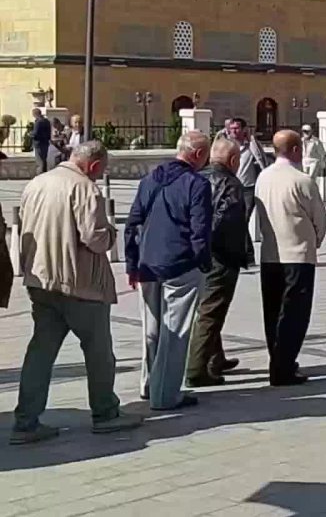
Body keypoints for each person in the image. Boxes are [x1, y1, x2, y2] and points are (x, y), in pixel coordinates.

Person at [11, 141, 141, 444]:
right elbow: (95, 239)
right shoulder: (84, 188)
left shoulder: (37, 183)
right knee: (98, 353)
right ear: (94, 166)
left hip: (41, 281)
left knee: (40, 353)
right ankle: (105, 413)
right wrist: (111, 232)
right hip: (80, 284)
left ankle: (26, 421)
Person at [126, 131, 213, 411]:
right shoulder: (196, 184)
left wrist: (131, 264)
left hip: (148, 263)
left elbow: (132, 224)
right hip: (181, 263)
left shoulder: (149, 179)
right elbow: (200, 229)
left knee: (151, 330)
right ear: (198, 155)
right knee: (175, 332)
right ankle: (165, 394)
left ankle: (149, 384)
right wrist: (203, 261)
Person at [256, 130, 326, 385]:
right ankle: (283, 367)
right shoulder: (302, 180)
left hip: (270, 254)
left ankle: (277, 359)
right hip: (297, 254)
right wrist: (314, 241)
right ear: (296, 150)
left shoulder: (262, 177)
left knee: (273, 311)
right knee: (294, 313)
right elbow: (319, 219)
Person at [187, 138, 253, 388]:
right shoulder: (229, 183)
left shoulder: (197, 177)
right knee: (211, 312)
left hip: (198, 255)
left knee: (208, 308)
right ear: (234, 161)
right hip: (220, 257)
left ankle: (216, 358)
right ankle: (195, 369)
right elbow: (224, 220)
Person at [227, 118, 268, 220]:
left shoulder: (251, 145)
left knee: (246, 217)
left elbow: (262, 161)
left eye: (236, 128)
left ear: (244, 129)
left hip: (247, 187)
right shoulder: (228, 146)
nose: (233, 131)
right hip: (232, 187)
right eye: (231, 129)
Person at [31, 108, 52, 174]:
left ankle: (40, 173)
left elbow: (35, 133)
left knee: (39, 160)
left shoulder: (38, 122)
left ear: (35, 114)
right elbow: (49, 132)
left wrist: (30, 134)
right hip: (45, 143)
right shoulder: (47, 121)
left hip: (38, 143)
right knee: (44, 159)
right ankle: (44, 172)